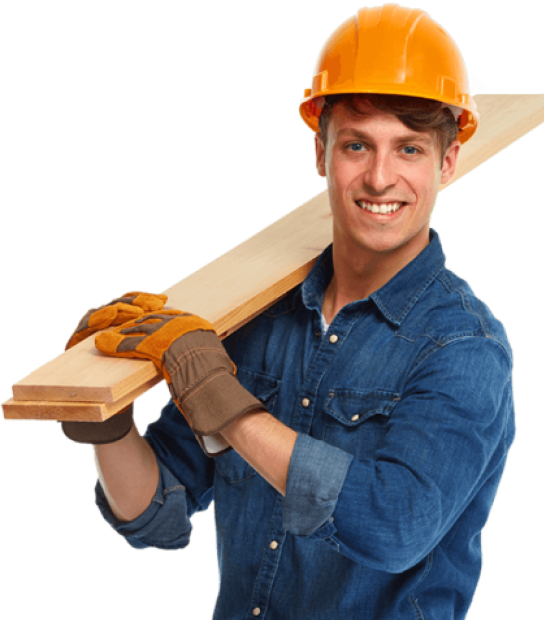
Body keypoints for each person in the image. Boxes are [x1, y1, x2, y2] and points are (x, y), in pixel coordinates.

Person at [59, 5, 516, 619]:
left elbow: (393, 525)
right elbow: (157, 516)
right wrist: (107, 423)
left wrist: (225, 402)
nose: (381, 178)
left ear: (447, 162)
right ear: (322, 153)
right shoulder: (255, 321)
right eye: (357, 145)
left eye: (408, 149)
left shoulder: (463, 348)